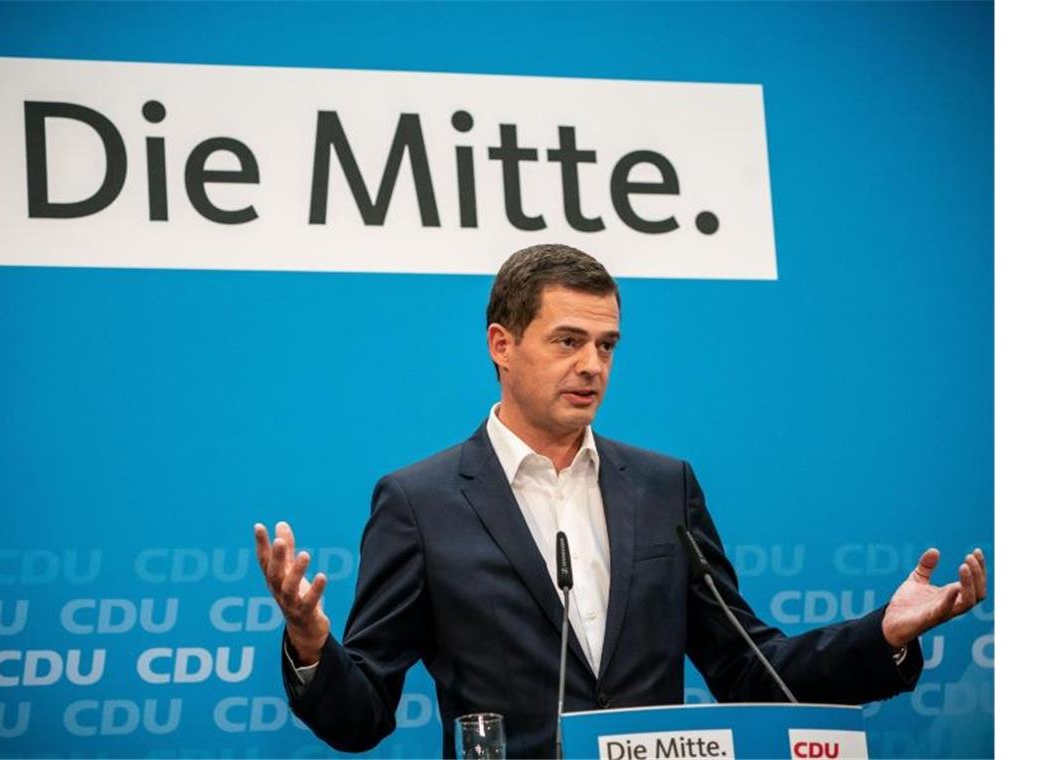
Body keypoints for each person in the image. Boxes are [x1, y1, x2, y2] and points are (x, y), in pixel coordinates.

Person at [253, 243, 987, 758]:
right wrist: (313, 648)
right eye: (568, 340)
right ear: (501, 344)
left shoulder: (665, 487)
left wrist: (883, 634)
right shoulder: (422, 502)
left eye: (607, 345)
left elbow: (747, 669)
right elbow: (363, 717)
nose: (592, 366)